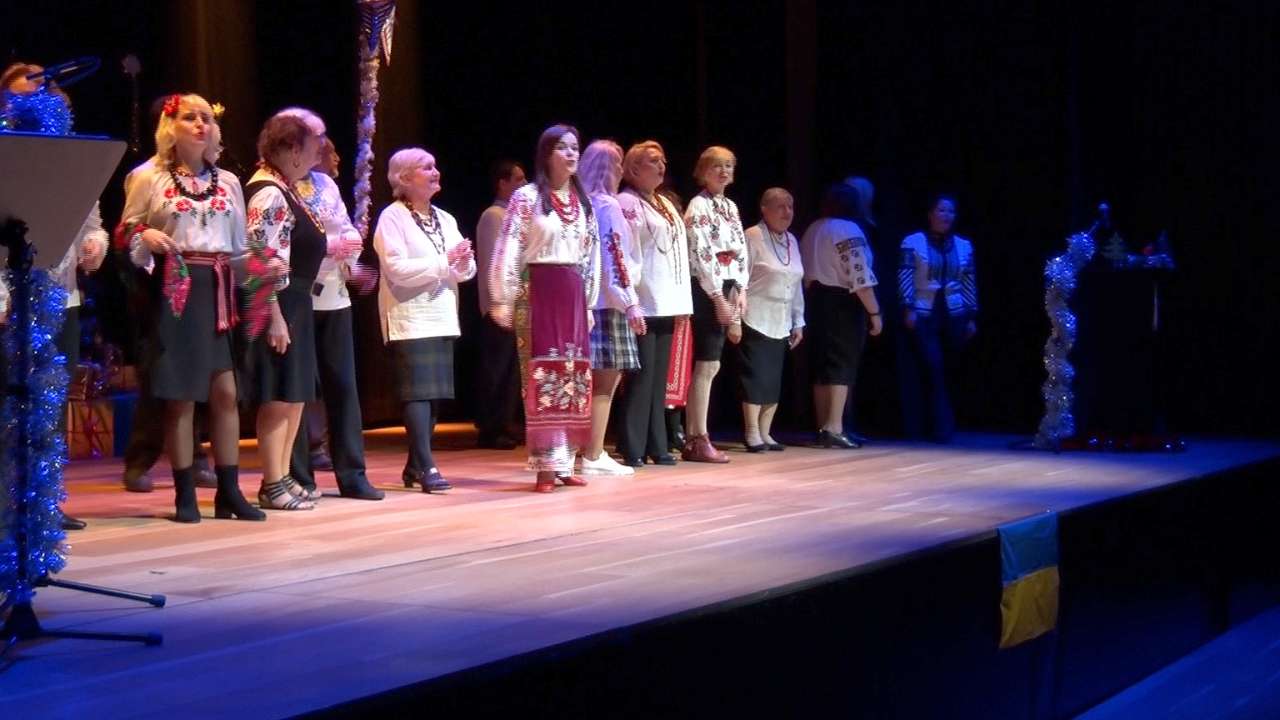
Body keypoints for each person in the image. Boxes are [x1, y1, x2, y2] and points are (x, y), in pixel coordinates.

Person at [119, 93, 263, 522]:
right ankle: (184, 492)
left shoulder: (229, 182)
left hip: (218, 286)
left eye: (206, 118)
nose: (201, 124)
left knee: (226, 392)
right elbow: (125, 231)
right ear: (171, 127)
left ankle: (229, 491)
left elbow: (240, 247)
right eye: (189, 117)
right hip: (177, 288)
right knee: (180, 396)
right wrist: (143, 236)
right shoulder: (148, 176)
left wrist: (263, 279)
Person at [0, 62, 108, 530]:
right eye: (21, 98)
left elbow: (93, 222)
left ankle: (43, 500)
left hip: (61, 299)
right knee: (10, 400)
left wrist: (96, 245)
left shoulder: (69, 161)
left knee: (51, 399)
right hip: (9, 303)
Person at [241, 111, 353, 511]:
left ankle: (284, 474)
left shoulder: (286, 188)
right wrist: (273, 316)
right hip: (281, 301)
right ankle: (272, 481)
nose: (318, 155)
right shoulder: (269, 193)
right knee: (279, 394)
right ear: (291, 149)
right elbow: (259, 259)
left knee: (296, 395)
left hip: (298, 299)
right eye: (312, 148)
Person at [490, 124, 600, 492]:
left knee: (573, 376)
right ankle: (546, 467)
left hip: (572, 293)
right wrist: (502, 296)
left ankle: (566, 461)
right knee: (543, 377)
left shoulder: (583, 202)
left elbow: (591, 256)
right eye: (563, 147)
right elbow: (509, 247)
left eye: (575, 147)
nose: (571, 154)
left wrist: (590, 302)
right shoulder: (527, 198)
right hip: (538, 291)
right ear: (546, 154)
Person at [280, 112, 383, 500]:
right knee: (299, 387)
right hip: (298, 295)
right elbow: (283, 242)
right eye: (316, 137)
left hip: (335, 297)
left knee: (343, 385)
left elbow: (344, 226)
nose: (322, 145)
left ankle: (353, 473)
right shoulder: (278, 186)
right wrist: (329, 248)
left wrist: (352, 254)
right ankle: (299, 475)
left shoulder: (324, 184)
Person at [373, 147, 476, 492]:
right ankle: (427, 465)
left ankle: (415, 465)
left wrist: (463, 261)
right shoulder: (392, 217)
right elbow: (396, 269)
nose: (435, 172)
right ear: (404, 177)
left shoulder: (445, 218)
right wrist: (446, 262)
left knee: (433, 396)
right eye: (426, 168)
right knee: (416, 394)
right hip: (410, 316)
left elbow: (464, 270)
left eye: (435, 166)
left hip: (442, 313)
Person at [616, 141, 692, 466]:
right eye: (653, 161)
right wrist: (630, 298)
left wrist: (682, 301)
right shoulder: (626, 202)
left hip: (667, 300)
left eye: (663, 161)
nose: (661, 166)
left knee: (658, 378)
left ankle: (657, 444)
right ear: (633, 169)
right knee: (642, 376)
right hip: (643, 300)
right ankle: (632, 446)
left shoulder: (665, 203)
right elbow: (626, 251)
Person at [801, 183, 883, 448]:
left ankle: (823, 427)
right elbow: (859, 275)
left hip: (815, 299)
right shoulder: (848, 229)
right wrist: (874, 311)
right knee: (842, 362)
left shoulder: (814, 228)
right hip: (842, 301)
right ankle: (835, 427)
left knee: (823, 364)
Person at [578, 140, 643, 476]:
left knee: (587, 383)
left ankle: (584, 451)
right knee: (604, 383)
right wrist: (630, 302)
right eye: (618, 163)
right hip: (608, 303)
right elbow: (615, 256)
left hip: (587, 301)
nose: (622, 170)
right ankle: (593, 454)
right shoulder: (607, 206)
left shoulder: (580, 203)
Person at [682, 146, 749, 463]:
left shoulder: (730, 207)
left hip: (729, 284)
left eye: (728, 166)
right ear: (703, 171)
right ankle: (697, 437)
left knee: (715, 364)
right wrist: (718, 297)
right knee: (707, 363)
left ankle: (696, 434)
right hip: (709, 288)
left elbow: (740, 249)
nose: (723, 171)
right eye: (717, 166)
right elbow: (700, 253)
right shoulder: (698, 206)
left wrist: (741, 289)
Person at [899, 193, 978, 442]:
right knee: (933, 367)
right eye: (941, 210)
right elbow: (905, 276)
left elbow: (968, 281)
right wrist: (908, 308)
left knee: (949, 369)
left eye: (950, 211)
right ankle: (936, 428)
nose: (946, 216)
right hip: (924, 312)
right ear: (930, 214)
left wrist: (971, 315)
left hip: (954, 313)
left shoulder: (964, 245)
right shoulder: (913, 241)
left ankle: (945, 424)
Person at [738, 188, 804, 451]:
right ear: (764, 209)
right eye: (780, 206)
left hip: (781, 320)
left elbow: (796, 284)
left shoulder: (792, 240)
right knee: (755, 377)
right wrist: (735, 316)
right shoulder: (752, 235)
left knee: (773, 380)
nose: (787, 212)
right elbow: (740, 278)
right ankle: (752, 432)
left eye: (790, 206)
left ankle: (766, 432)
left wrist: (799, 321)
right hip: (756, 317)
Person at [472, 159, 526, 450]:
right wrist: (498, 301)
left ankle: (504, 423)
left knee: (511, 370)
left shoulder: (514, 216)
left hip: (516, 303)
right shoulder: (494, 215)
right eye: (517, 179)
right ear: (502, 183)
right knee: (496, 368)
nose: (523, 184)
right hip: (500, 304)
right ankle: (490, 427)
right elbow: (496, 262)